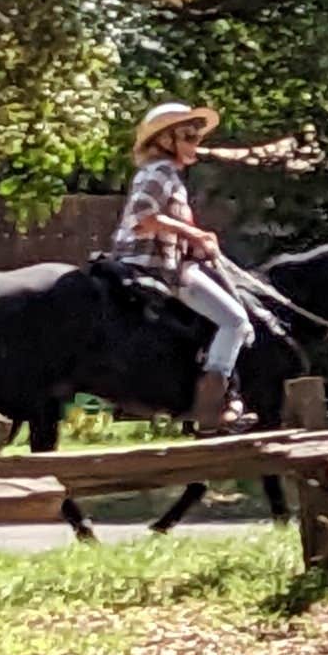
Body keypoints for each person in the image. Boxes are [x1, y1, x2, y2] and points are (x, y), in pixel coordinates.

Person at [113, 102, 254, 432]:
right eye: (188, 136)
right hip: (155, 268)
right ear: (164, 140)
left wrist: (196, 244)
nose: (195, 143)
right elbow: (142, 219)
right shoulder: (160, 172)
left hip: (162, 263)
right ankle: (211, 409)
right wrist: (196, 233)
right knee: (235, 321)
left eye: (197, 136)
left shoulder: (168, 175)